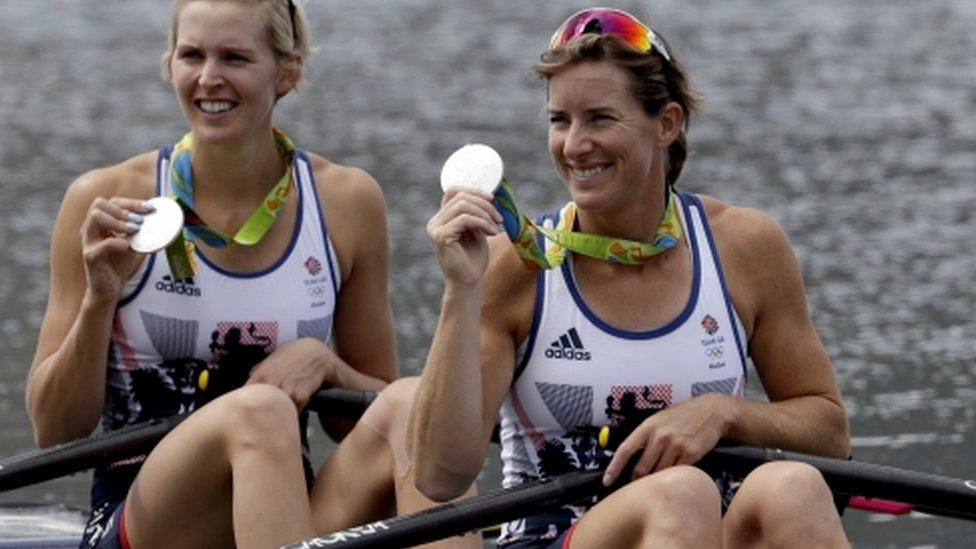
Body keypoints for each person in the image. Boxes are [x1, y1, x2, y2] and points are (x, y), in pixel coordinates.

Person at [25, 1, 476, 548]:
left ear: (286, 71)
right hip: (141, 514)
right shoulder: (108, 201)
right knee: (261, 409)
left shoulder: (347, 202)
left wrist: (328, 365)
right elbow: (54, 431)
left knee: (410, 404)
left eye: (235, 57)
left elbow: (358, 413)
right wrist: (100, 299)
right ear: (170, 64)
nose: (209, 78)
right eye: (192, 55)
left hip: (284, 508)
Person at [411, 7, 851, 549]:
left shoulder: (746, 246)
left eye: (599, 119)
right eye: (559, 121)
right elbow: (438, 479)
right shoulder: (515, 264)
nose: (574, 145)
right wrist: (461, 290)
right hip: (557, 536)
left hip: (702, 528)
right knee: (681, 492)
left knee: (796, 487)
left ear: (666, 124)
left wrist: (722, 412)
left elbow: (829, 432)